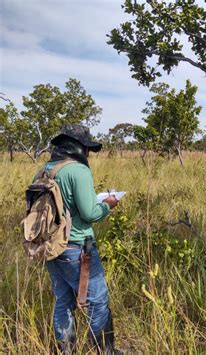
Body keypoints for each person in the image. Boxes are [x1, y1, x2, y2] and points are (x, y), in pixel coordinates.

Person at [42, 124, 121, 354]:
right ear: (79, 148)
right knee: (97, 301)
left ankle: (66, 350)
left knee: (63, 300)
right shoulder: (78, 171)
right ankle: (105, 350)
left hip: (50, 246)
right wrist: (107, 205)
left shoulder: (45, 170)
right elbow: (90, 214)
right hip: (78, 247)